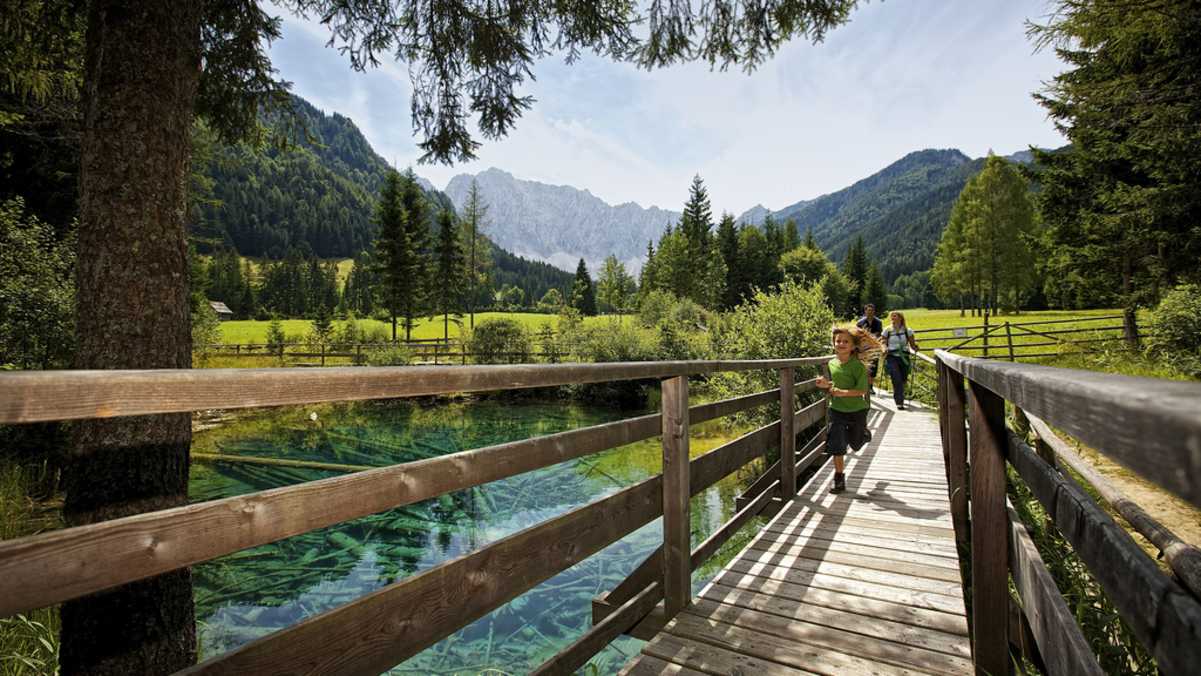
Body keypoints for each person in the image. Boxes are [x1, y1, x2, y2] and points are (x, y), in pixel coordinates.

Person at [815, 325, 882, 494]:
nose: (841, 344)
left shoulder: (857, 366)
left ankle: (863, 434)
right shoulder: (831, 363)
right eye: (838, 341)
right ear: (833, 344)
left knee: (856, 444)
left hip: (857, 410)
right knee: (837, 445)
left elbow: (862, 390)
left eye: (845, 341)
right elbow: (832, 387)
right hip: (837, 410)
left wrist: (842, 392)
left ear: (853, 346)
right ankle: (839, 479)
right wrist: (825, 385)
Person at [881, 310, 920, 410]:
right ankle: (899, 402)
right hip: (892, 356)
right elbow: (883, 342)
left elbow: (912, 344)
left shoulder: (907, 331)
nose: (893, 318)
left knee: (903, 379)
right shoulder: (887, 330)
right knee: (896, 378)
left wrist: (915, 347)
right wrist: (884, 349)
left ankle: (900, 395)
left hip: (904, 357)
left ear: (900, 318)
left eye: (895, 316)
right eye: (892, 316)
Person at [856, 304, 883, 398]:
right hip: (863, 348)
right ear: (865, 311)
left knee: (873, 368)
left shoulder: (878, 322)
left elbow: (879, 334)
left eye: (871, 310)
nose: (870, 312)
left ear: (874, 311)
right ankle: (863, 386)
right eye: (868, 310)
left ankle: (870, 387)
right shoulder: (860, 322)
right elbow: (857, 335)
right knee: (863, 368)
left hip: (874, 347)